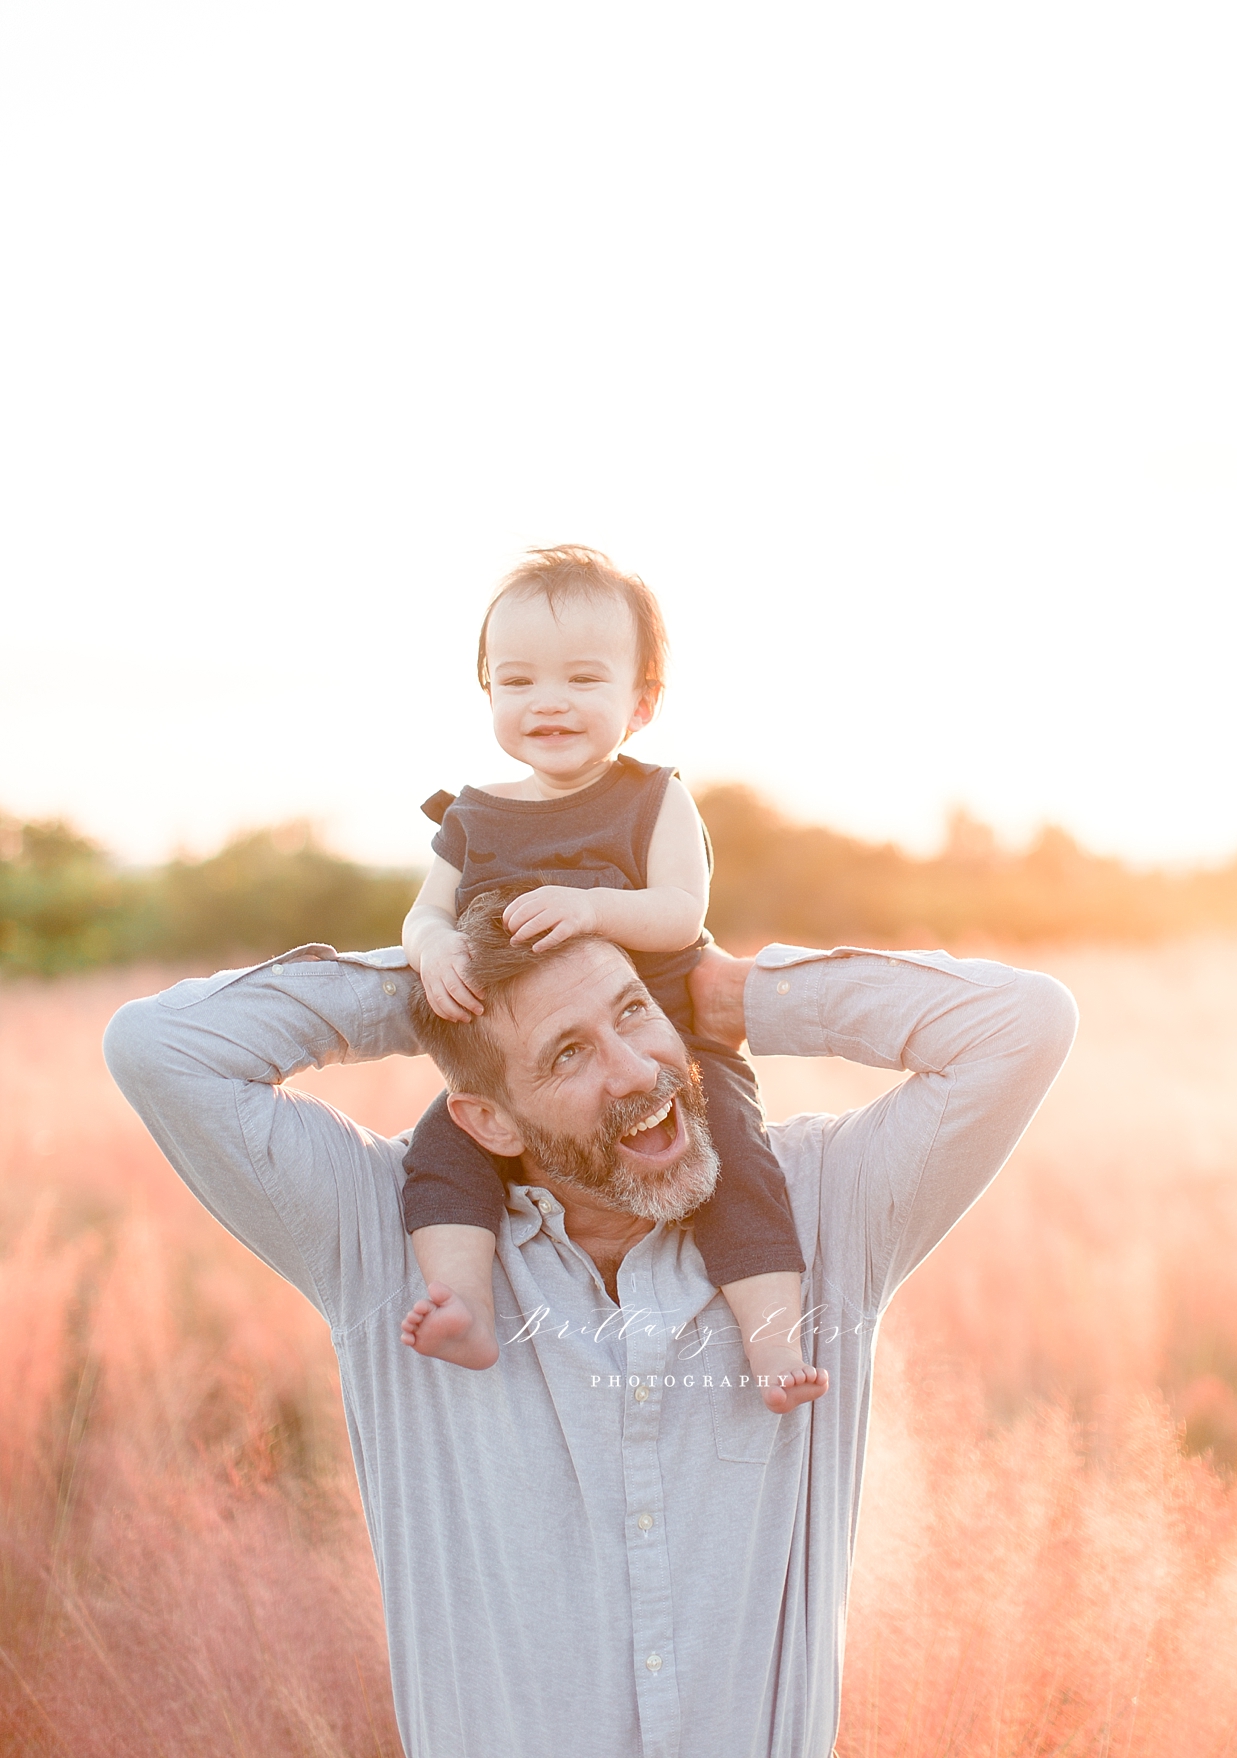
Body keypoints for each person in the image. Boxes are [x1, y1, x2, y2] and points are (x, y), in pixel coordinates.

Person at [103, 898, 1076, 1758]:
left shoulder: (826, 1208)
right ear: (487, 1118)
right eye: (567, 1051)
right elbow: (160, 1048)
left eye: (633, 1010)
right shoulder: (382, 1233)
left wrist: (733, 995)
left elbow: (1021, 1023)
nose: (637, 1068)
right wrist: (440, 973)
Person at [400, 544, 822, 1411]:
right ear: (488, 694)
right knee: (441, 1152)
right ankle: (465, 1306)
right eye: (515, 682)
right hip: (523, 1076)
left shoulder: (651, 797)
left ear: (639, 702)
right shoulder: (474, 817)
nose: (546, 701)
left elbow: (676, 912)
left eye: (581, 680)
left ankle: (774, 1346)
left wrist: (590, 910)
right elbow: (423, 916)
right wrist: (434, 950)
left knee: (740, 1162)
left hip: (671, 1047)